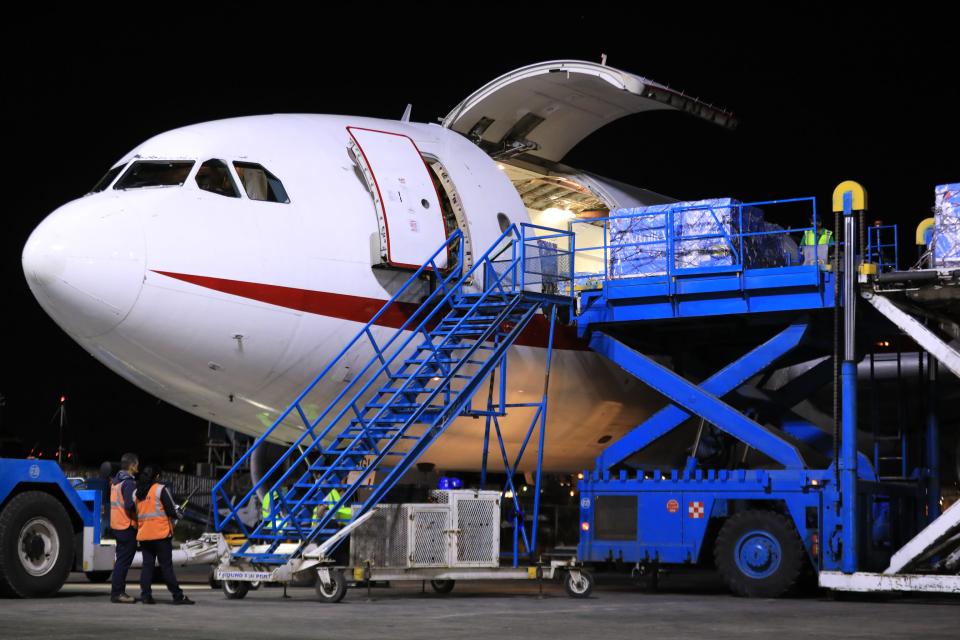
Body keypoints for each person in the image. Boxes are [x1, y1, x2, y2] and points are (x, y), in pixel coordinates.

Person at [135, 466, 194, 605]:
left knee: (147, 566)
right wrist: (179, 512)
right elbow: (172, 511)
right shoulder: (160, 489)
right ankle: (177, 596)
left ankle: (146, 596)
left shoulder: (137, 493)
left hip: (144, 536)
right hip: (161, 536)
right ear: (156, 477)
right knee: (166, 567)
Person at [109, 452, 139, 604]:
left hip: (117, 525)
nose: (138, 467)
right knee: (123, 562)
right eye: (137, 464)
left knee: (120, 560)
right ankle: (118, 593)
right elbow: (129, 505)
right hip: (127, 526)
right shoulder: (128, 483)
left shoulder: (116, 482)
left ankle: (117, 591)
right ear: (132, 466)